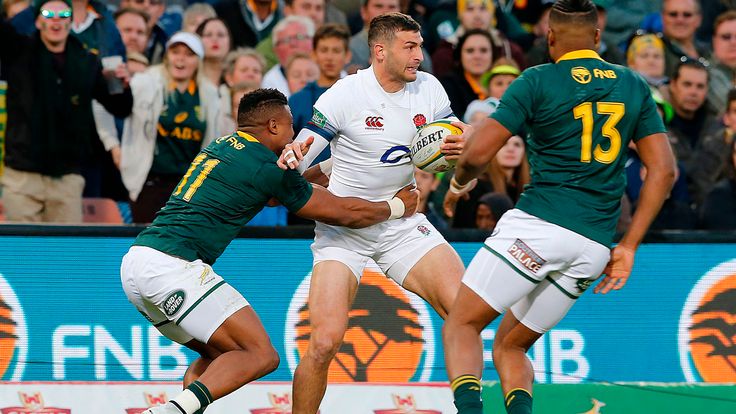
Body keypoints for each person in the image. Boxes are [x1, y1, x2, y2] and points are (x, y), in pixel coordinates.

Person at [441, 1, 676, 414]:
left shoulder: (537, 79)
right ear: (598, 37)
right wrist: (630, 246)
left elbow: (478, 153)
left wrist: (459, 183)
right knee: (511, 346)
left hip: (539, 225)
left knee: (462, 324)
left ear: (550, 38)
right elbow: (665, 172)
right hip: (594, 247)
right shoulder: (633, 84)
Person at [125, 88, 420, 414]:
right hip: (173, 266)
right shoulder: (264, 165)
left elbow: (278, 192)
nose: (295, 135)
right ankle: (169, 412)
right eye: (292, 125)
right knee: (261, 355)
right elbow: (342, 213)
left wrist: (336, 165)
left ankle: (181, 410)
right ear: (274, 126)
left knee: (219, 356)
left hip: (137, 264)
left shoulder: (224, 145)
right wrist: (394, 206)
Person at [276, 12, 468, 414]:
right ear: (380, 51)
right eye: (410, 47)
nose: (420, 54)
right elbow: (304, 147)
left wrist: (458, 146)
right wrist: (294, 159)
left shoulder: (428, 88)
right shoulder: (344, 95)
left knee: (466, 311)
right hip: (344, 229)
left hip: (402, 224)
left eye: (420, 45)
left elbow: (454, 134)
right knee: (325, 342)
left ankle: (471, 407)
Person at [0, 0, 133, 223]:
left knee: (63, 253)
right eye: (48, 13)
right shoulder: (19, 52)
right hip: (22, 176)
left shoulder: (87, 62)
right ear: (37, 20)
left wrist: (123, 86)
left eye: (63, 14)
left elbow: (120, 107)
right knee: (22, 253)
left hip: (67, 178)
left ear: (71, 21)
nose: (56, 18)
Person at [120, 32, 221, 223]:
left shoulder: (209, 93)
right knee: (147, 244)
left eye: (189, 54)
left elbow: (212, 141)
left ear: (198, 61)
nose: (181, 59)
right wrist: (113, 146)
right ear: (167, 56)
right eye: (176, 52)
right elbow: (108, 105)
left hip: (189, 186)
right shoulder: (145, 82)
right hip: (150, 182)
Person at [196, 17, 233, 86]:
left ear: (229, 42)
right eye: (208, 35)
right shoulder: (188, 78)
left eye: (221, 35)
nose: (215, 39)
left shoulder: (237, 80)